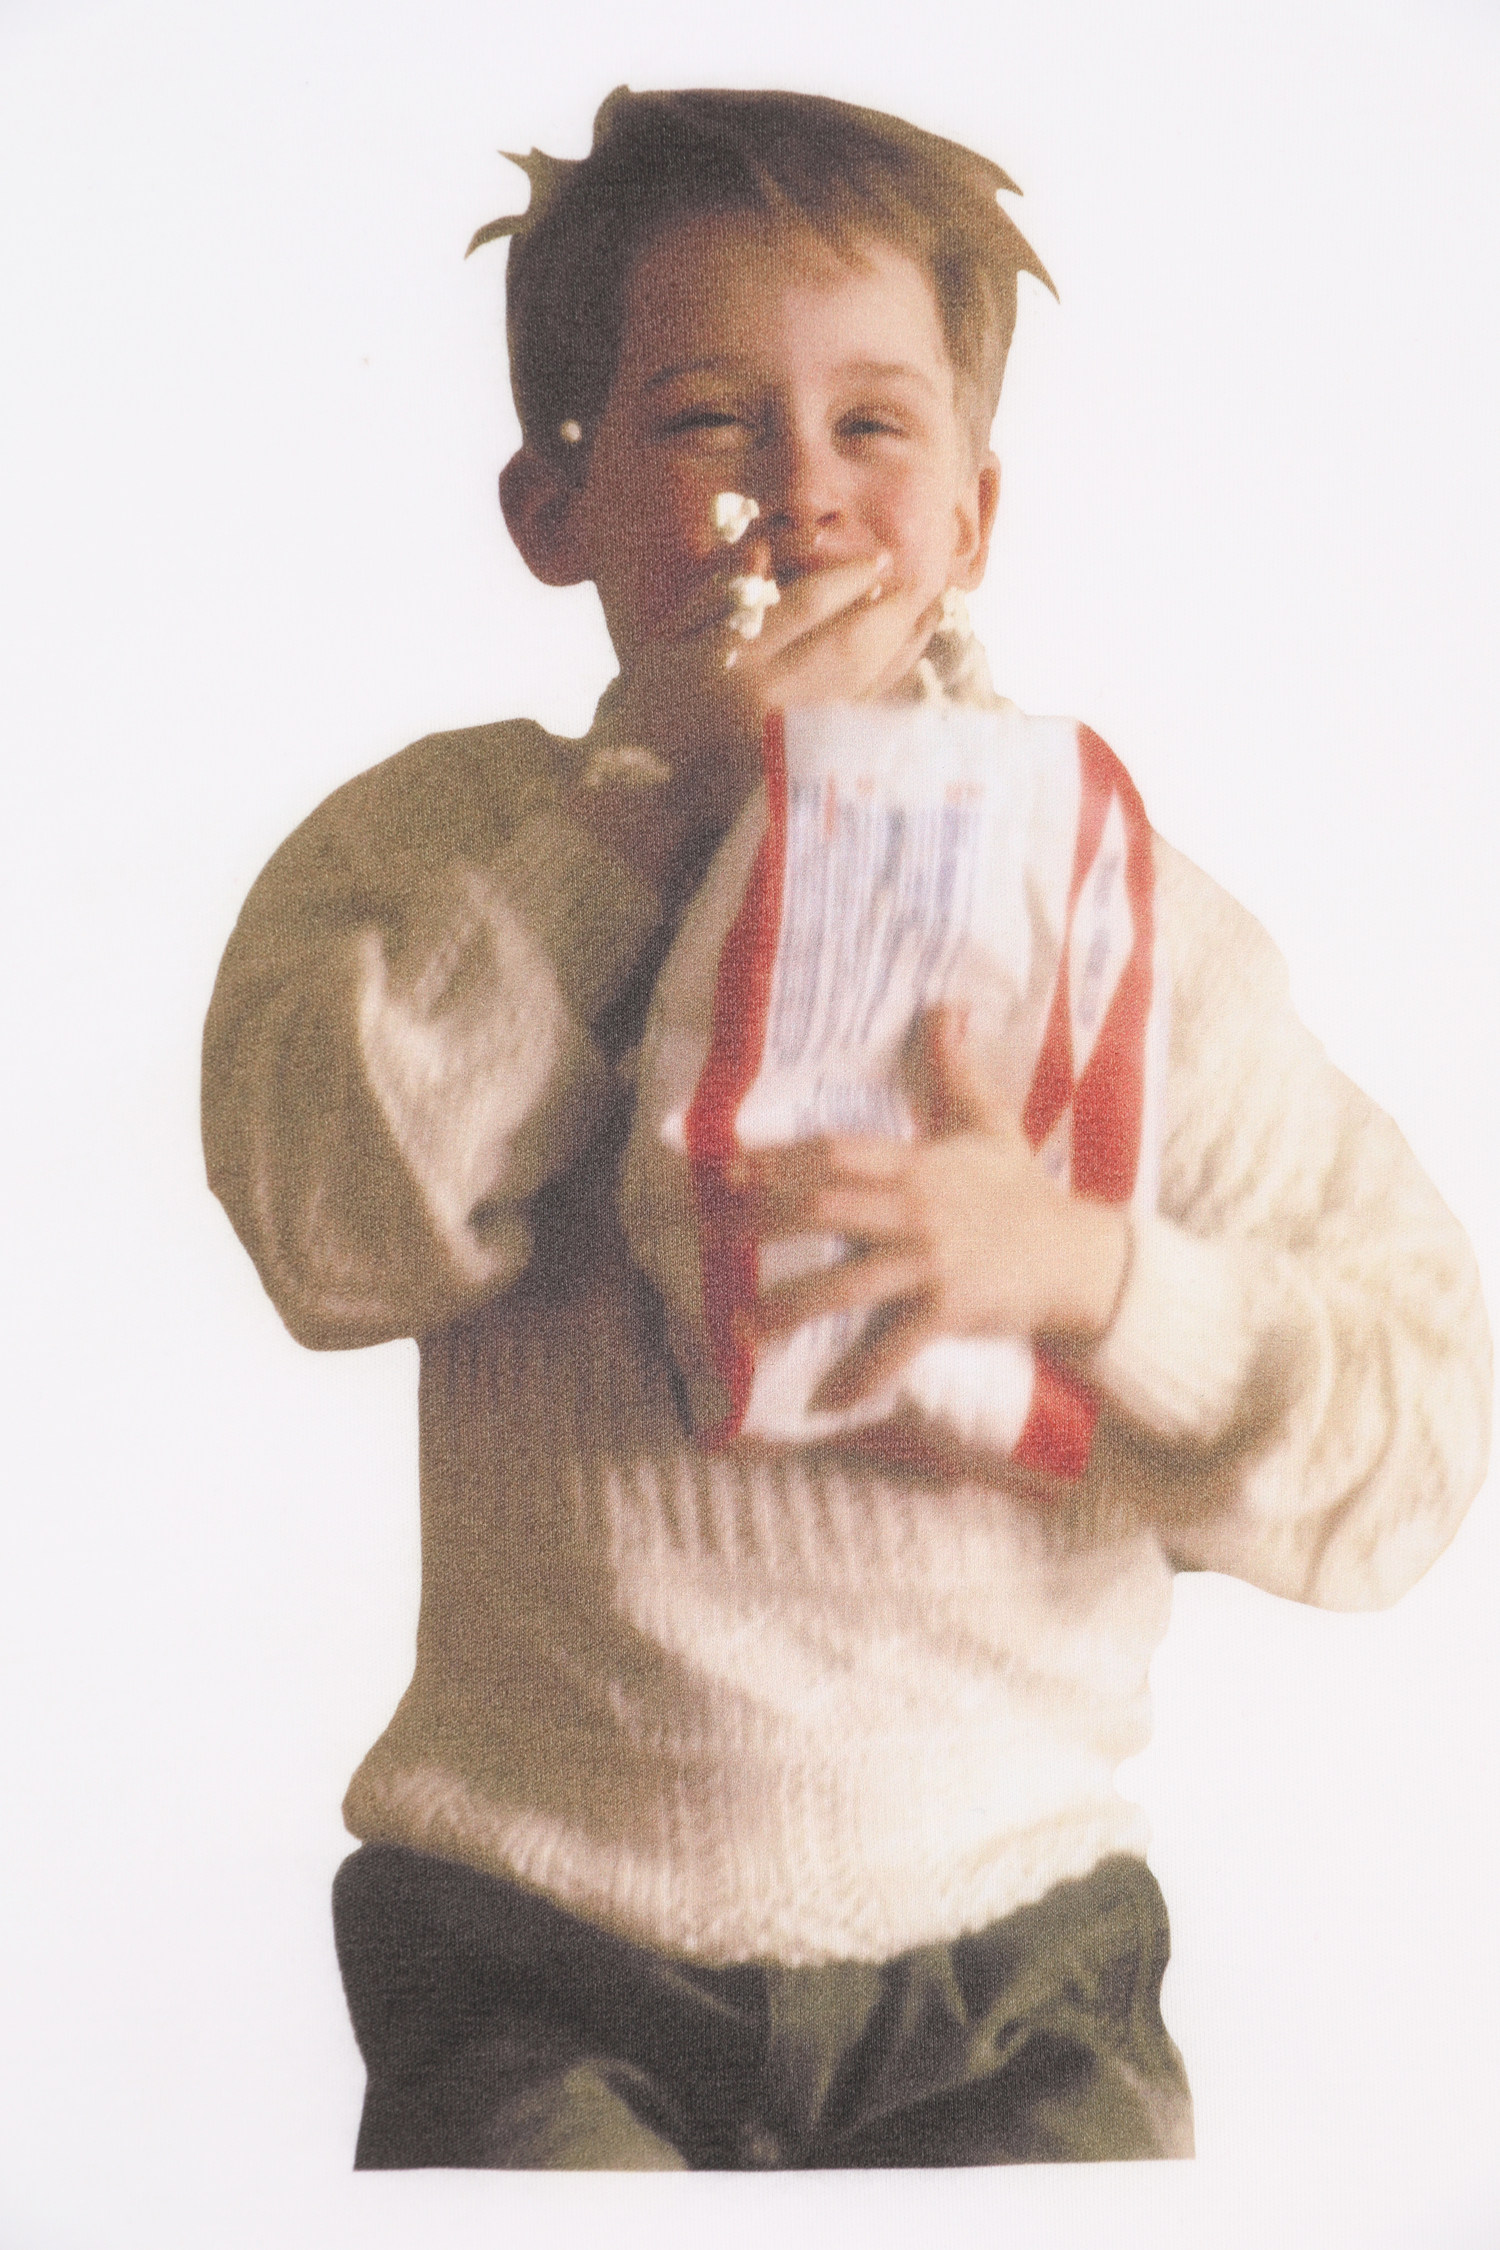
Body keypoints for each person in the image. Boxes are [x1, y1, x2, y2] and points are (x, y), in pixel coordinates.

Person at [200, 86, 1490, 2171]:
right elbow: (334, 1229)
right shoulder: (437, 853)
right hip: (539, 1948)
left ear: (974, 513)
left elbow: (1418, 1431)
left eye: (873, 425)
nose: (797, 494)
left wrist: (1098, 1278)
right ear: (552, 503)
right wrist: (634, 816)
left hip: (1012, 1966)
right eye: (708, 421)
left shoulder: (1106, 910)